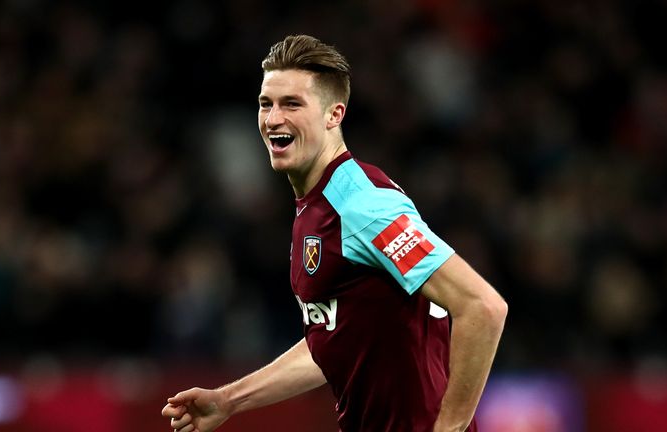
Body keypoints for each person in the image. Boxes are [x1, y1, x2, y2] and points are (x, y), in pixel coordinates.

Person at [162, 34, 507, 432]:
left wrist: (449, 428)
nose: (274, 118)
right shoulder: (316, 204)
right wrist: (228, 400)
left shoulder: (360, 205)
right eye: (266, 104)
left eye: (292, 104)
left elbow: (482, 307)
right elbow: (334, 341)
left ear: (333, 115)